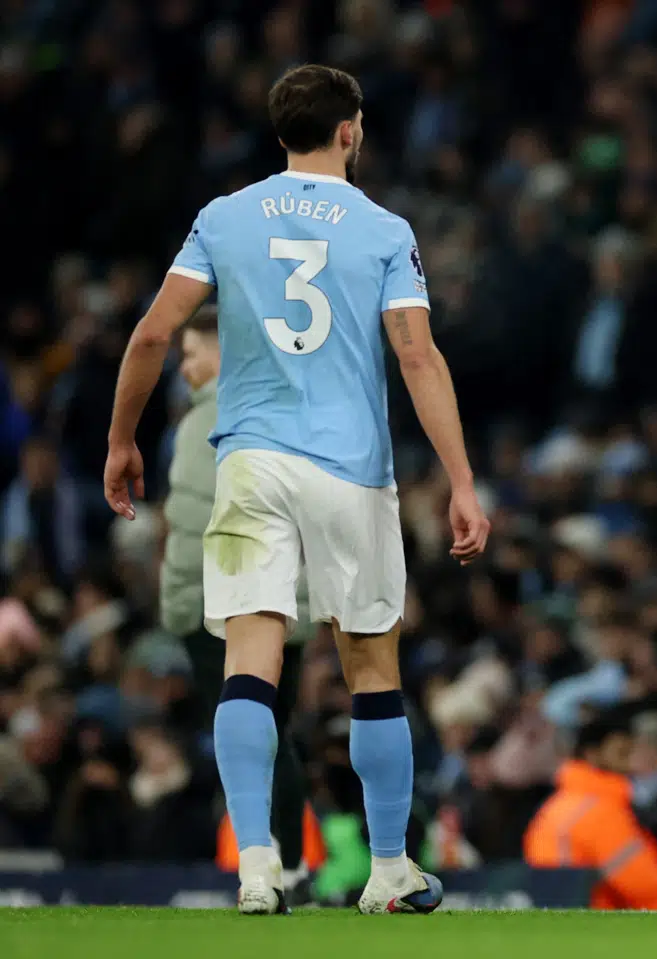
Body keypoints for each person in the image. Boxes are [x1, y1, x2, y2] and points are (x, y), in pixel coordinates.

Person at [104, 63, 489, 915]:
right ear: (350, 130)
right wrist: (461, 480)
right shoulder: (385, 228)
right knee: (370, 664)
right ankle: (390, 868)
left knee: (251, 661)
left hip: (251, 463)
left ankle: (256, 866)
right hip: (350, 470)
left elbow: (153, 334)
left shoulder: (224, 216)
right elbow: (418, 357)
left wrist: (122, 438)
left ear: (281, 133)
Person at [160, 306, 316, 897]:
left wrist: (178, 603)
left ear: (226, 351)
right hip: (282, 598)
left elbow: (197, 523)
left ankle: (267, 860)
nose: (186, 367)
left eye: (194, 352)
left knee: (248, 732)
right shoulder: (281, 408)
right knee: (276, 730)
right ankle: (292, 862)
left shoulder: (212, 420)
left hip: (224, 606)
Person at [524, 711, 657, 911]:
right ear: (593, 754)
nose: (629, 764)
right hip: (595, 923)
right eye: (621, 753)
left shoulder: (558, 804)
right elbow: (643, 887)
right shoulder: (600, 812)